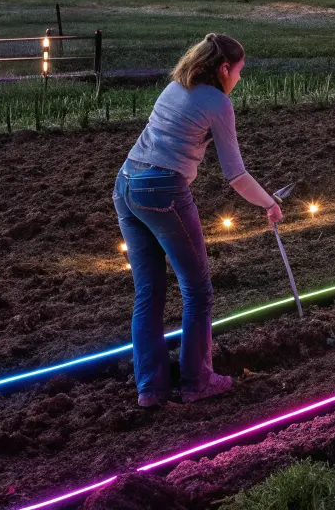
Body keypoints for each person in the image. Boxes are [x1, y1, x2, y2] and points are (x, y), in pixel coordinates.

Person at [113, 33, 283, 407]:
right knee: (198, 290)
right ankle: (197, 381)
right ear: (224, 68)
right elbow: (236, 175)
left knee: (149, 291)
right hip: (162, 189)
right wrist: (269, 203)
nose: (239, 78)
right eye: (239, 71)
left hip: (125, 184)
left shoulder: (176, 86)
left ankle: (150, 389)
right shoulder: (218, 102)